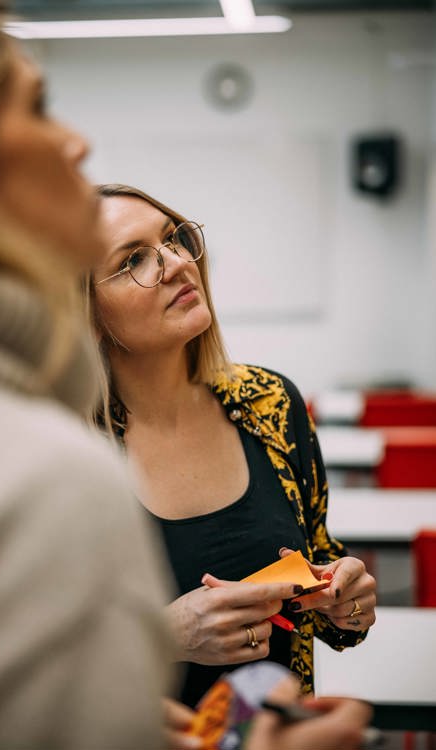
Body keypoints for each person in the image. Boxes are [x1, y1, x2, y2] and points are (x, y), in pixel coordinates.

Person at [0, 2, 176, 747]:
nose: (77, 142)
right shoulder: (47, 473)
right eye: (37, 109)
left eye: (173, 242)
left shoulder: (270, 403)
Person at [84, 183, 377, 708]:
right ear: (86, 312)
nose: (175, 263)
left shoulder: (271, 403)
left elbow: (323, 577)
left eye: (173, 239)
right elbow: (24, 667)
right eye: (134, 260)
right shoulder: (70, 452)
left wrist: (346, 600)